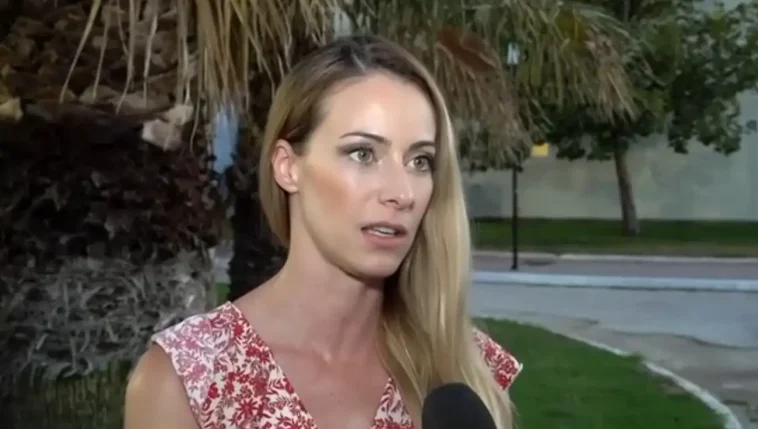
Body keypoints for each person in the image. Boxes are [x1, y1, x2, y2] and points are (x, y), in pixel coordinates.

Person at [124, 34, 522, 429]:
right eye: (363, 154)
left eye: (420, 161)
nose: (402, 193)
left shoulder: (463, 372)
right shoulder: (188, 380)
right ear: (288, 167)